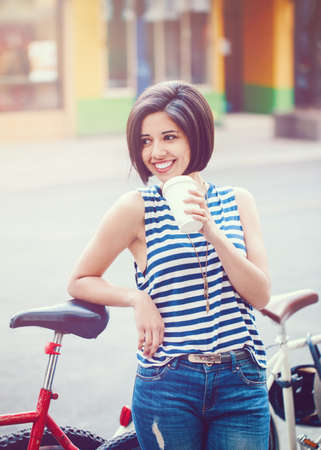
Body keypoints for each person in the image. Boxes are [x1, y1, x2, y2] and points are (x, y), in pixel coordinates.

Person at [67, 80, 271, 450]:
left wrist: (210, 229)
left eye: (169, 137)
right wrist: (137, 299)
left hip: (240, 380)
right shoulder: (136, 208)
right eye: (145, 141)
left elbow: (260, 295)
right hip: (168, 383)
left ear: (196, 136)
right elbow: (80, 280)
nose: (156, 152)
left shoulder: (238, 201)